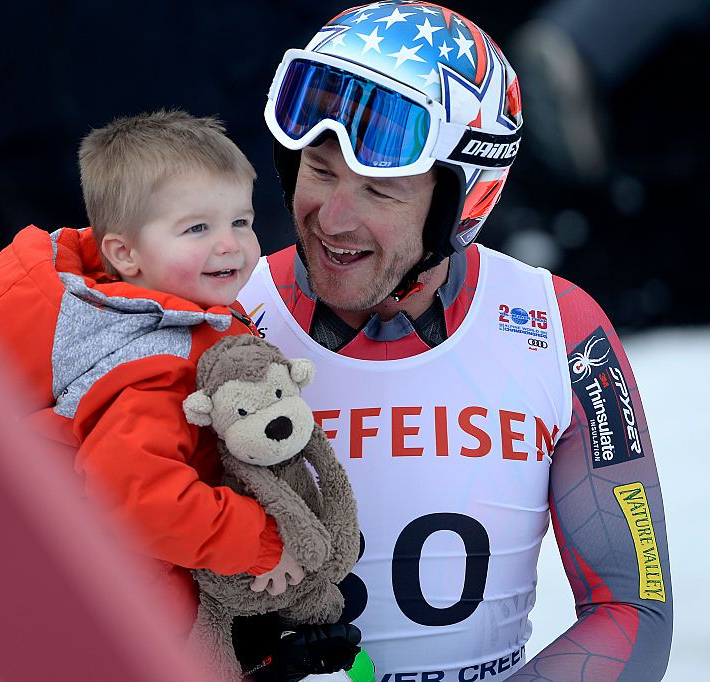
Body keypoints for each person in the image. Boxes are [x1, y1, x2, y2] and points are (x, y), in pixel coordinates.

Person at [236, 3, 673, 680]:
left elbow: (633, 608)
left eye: (379, 190)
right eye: (319, 171)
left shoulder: (559, 329)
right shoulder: (227, 318)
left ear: (464, 202)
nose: (333, 217)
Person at [0, 110, 316, 644]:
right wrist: (265, 542)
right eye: (197, 228)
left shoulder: (154, 307)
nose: (230, 245)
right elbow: (139, 498)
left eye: (240, 221)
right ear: (124, 253)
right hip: (118, 618)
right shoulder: (149, 362)